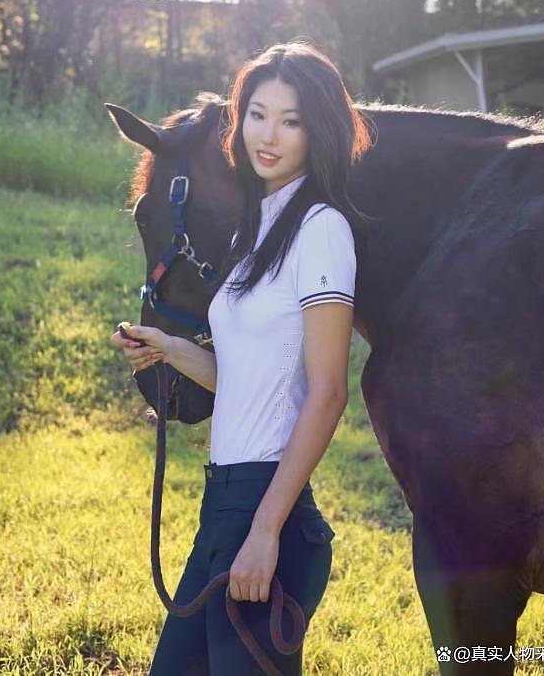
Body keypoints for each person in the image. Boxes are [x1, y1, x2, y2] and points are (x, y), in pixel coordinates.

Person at [110, 40, 373, 674]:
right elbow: (250, 382)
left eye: (292, 120)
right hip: (224, 503)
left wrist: (265, 531)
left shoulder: (321, 231)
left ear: (320, 132)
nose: (270, 136)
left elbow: (328, 392)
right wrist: (171, 349)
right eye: (258, 114)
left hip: (265, 509)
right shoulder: (254, 233)